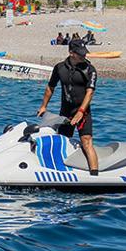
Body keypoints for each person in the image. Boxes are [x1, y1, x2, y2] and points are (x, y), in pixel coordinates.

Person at [37, 39, 99, 176]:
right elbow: (50, 87)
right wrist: (43, 106)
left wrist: (81, 112)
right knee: (61, 141)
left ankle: (94, 175)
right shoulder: (59, 68)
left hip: (83, 112)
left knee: (86, 141)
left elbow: (90, 92)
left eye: (84, 52)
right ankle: (58, 172)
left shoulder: (90, 70)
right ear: (71, 53)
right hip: (66, 112)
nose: (84, 56)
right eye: (80, 53)